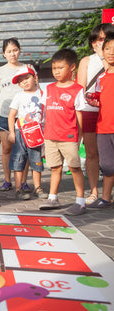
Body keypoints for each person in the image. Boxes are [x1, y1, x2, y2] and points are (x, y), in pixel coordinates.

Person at [39, 49, 86, 215]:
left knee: (74, 168)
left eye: (60, 67)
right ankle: (53, 197)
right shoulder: (49, 88)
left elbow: (80, 116)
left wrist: (80, 138)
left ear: (72, 67)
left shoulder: (77, 90)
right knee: (55, 168)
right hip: (50, 137)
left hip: (69, 137)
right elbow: (44, 113)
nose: (56, 71)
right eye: (54, 68)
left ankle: (80, 201)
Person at [77, 23, 114, 205]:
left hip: (110, 112)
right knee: (92, 153)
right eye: (97, 39)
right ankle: (93, 191)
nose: (100, 42)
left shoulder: (110, 59)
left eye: (104, 38)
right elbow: (80, 88)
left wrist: (104, 57)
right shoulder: (86, 61)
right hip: (91, 111)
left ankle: (108, 193)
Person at [0, 38, 32, 192]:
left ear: (19, 50)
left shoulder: (28, 68)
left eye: (15, 50)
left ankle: (24, 181)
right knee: (7, 148)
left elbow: (36, 89)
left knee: (24, 149)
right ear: (4, 54)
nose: (12, 54)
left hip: (25, 116)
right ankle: (7, 180)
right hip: (4, 115)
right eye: (9, 51)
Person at [7, 66, 47, 200]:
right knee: (18, 160)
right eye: (21, 81)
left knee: (36, 161)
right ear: (18, 84)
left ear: (35, 78)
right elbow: (11, 115)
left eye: (27, 78)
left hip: (37, 134)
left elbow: (47, 116)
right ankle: (19, 189)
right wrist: (12, 132)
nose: (24, 82)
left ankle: (38, 187)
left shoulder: (43, 94)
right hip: (20, 132)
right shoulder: (19, 96)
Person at [86, 32, 114, 209]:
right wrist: (91, 99)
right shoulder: (101, 78)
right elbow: (94, 98)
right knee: (108, 165)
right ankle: (105, 197)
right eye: (108, 49)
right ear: (102, 52)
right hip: (103, 129)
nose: (111, 52)